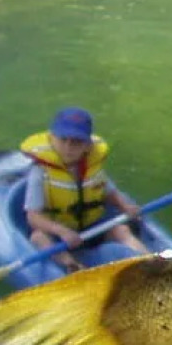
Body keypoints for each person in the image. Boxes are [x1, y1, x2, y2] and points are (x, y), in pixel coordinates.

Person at [22, 106, 149, 272]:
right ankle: (72, 266)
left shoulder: (92, 166)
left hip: (92, 227)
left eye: (76, 142)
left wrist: (125, 207)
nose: (68, 147)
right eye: (63, 139)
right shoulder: (40, 172)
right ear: (52, 138)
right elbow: (33, 217)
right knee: (38, 237)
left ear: (88, 145)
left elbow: (109, 192)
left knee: (121, 229)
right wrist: (61, 231)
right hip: (59, 234)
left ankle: (152, 261)